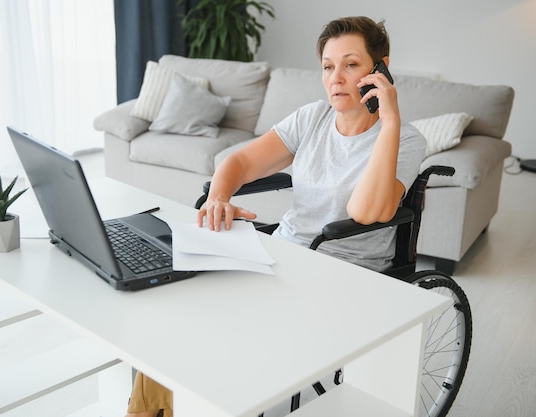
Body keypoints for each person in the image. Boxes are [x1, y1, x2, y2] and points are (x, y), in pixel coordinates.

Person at [125, 15, 427, 417]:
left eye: (351, 64)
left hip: (345, 272)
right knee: (179, 317)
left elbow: (367, 210)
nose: (336, 77)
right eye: (327, 66)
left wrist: (388, 119)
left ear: (380, 68)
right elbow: (240, 161)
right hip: (284, 254)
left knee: (222, 330)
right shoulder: (312, 118)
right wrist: (219, 197)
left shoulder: (405, 138)